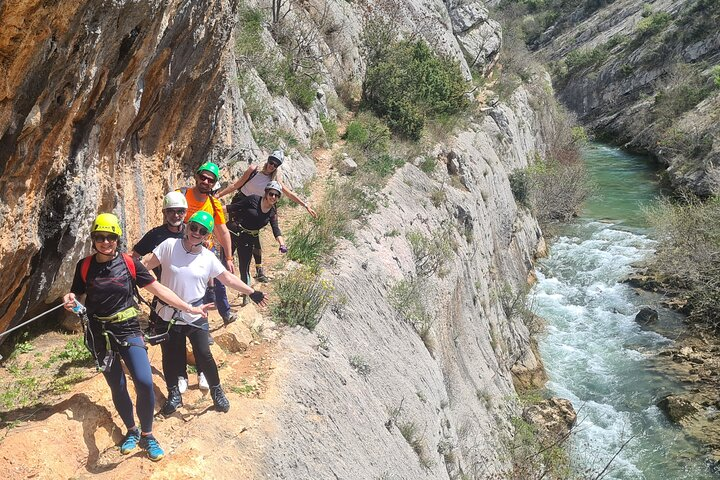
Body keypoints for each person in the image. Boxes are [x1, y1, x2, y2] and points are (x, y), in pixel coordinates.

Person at [62, 213, 211, 462]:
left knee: (143, 380)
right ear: (93, 239)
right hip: (100, 334)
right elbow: (75, 293)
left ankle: (148, 435)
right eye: (100, 237)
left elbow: (158, 288)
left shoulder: (130, 264)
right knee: (117, 385)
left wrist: (188, 307)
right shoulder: (84, 266)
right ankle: (131, 431)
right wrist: (69, 300)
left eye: (110, 237)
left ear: (117, 239)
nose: (105, 242)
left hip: (129, 329)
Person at [143, 211, 268, 415]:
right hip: (167, 313)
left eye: (202, 231)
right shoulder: (168, 246)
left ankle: (217, 392)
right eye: (193, 227)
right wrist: (146, 284)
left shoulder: (208, 258)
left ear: (207, 236)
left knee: (204, 354)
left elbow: (227, 278)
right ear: (187, 226)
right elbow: (145, 266)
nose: (196, 233)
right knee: (170, 355)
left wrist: (251, 291)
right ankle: (174, 394)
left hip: (195, 313)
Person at [131, 191, 208, 393]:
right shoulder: (156, 235)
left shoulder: (194, 231)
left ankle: (202, 372)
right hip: (165, 293)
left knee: (199, 340)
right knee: (171, 341)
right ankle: (179, 376)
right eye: (172, 211)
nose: (176, 215)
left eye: (180, 211)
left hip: (193, 294)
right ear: (165, 212)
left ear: (186, 213)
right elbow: (137, 257)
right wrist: (135, 276)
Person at [216, 150, 316, 282]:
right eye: (271, 162)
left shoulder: (274, 181)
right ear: (267, 160)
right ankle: (226, 262)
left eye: (276, 165)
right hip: (241, 203)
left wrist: (305, 205)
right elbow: (236, 185)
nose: (272, 166)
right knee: (233, 232)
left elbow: (289, 194)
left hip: (257, 208)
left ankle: (255, 269)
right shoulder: (254, 171)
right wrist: (218, 196)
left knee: (252, 235)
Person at [179, 161, 237, 324]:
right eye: (203, 177)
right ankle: (193, 322)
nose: (206, 182)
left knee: (218, 281)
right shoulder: (181, 195)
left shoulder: (213, 204)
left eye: (210, 180)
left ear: (214, 183)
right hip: (182, 246)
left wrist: (229, 257)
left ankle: (224, 313)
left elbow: (223, 231)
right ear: (197, 176)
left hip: (206, 248)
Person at [226, 181, 286, 304]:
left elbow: (276, 229)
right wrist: (211, 209)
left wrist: (282, 244)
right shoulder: (253, 199)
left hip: (248, 239)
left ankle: (246, 295)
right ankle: (214, 292)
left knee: (244, 268)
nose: (273, 197)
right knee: (223, 263)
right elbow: (233, 207)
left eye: (276, 195)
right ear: (266, 192)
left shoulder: (272, 212)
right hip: (234, 232)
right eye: (271, 193)